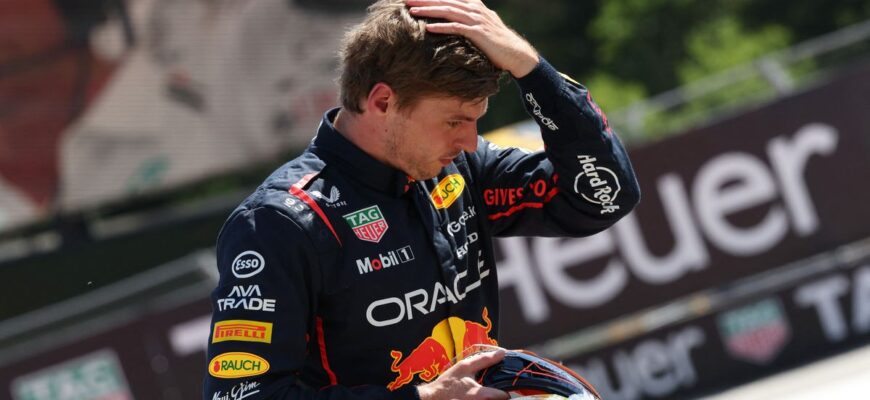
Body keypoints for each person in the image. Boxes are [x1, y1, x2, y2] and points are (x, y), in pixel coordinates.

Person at [204, 0, 640, 399]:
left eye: (476, 120)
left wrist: (533, 70)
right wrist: (423, 398)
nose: (470, 141)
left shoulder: (461, 169)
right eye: (454, 121)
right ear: (382, 101)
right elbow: (240, 396)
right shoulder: (279, 223)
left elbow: (602, 197)